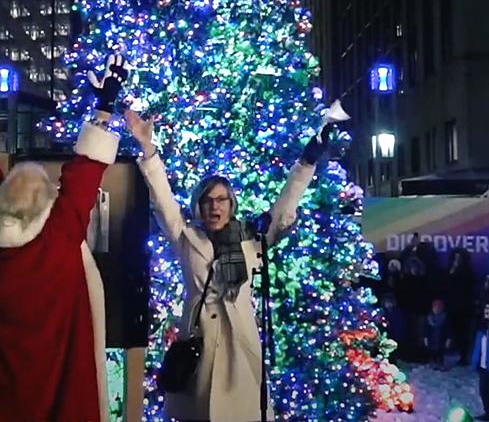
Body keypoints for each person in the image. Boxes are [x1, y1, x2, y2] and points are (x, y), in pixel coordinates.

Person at [126, 101, 342, 422]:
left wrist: (308, 161)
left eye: (221, 200)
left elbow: (283, 211)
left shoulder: (251, 239)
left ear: (232, 204)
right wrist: (147, 147)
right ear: (199, 206)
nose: (215, 207)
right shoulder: (186, 237)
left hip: (240, 347)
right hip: (199, 349)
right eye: (208, 200)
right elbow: (163, 199)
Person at [0, 56, 127, 422]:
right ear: (46, 202)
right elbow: (86, 171)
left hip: (1, 394)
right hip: (61, 396)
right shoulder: (59, 233)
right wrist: (105, 105)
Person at [424, 298, 453, 369]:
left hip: (441, 339)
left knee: (440, 353)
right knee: (432, 352)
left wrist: (449, 340)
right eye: (435, 307)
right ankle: (432, 363)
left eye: (438, 307)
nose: (436, 309)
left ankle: (440, 364)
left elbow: (449, 331)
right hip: (431, 339)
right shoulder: (429, 317)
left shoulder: (445, 318)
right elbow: (426, 329)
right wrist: (425, 338)